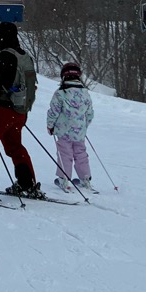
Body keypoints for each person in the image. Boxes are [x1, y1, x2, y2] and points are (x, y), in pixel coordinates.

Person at [0, 21, 41, 200]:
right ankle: (28, 185)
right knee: (15, 147)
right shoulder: (26, 56)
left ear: (2, 38)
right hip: (20, 111)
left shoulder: (4, 57)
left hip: (1, 110)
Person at [45, 61, 96, 193]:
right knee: (81, 154)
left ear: (64, 76)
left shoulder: (60, 93)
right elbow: (89, 113)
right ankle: (85, 179)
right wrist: (84, 126)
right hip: (79, 132)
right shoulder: (85, 93)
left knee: (64, 154)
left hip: (63, 131)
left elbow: (53, 111)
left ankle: (64, 179)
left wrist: (50, 126)